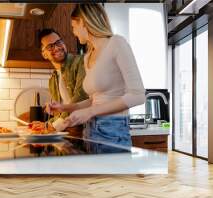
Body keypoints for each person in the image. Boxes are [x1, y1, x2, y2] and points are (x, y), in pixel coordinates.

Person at [49, 3, 145, 147]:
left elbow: (138, 95)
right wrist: (65, 108)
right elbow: (94, 100)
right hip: (90, 131)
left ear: (82, 22)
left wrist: (90, 112)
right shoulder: (88, 57)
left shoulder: (116, 43)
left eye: (73, 27)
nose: (73, 32)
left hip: (113, 131)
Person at [38, 28, 88, 136]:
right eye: (50, 46)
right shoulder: (52, 80)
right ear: (44, 54)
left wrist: (54, 126)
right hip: (67, 132)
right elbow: (60, 112)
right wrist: (46, 125)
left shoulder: (80, 62)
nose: (57, 47)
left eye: (58, 42)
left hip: (85, 131)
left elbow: (81, 96)